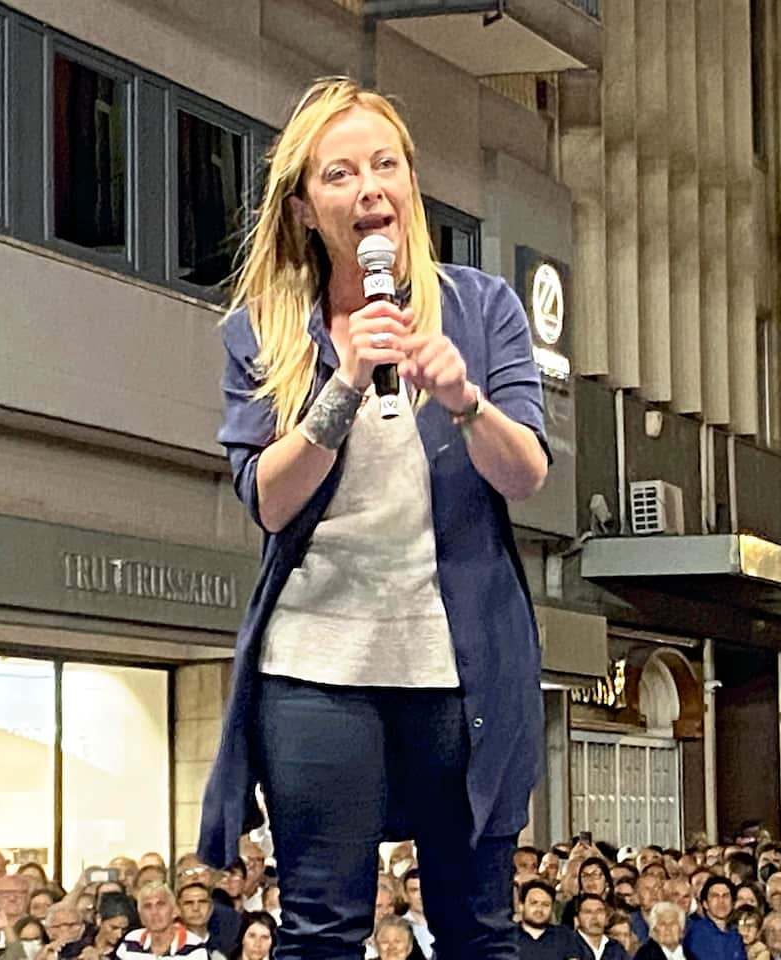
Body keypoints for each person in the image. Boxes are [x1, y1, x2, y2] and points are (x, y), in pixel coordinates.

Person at [196, 75, 549, 960]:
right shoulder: (264, 330)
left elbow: (528, 474)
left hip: (457, 668)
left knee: (478, 927)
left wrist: (467, 403)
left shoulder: (480, 308)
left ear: (411, 187)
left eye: (385, 165)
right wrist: (344, 382)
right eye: (340, 173)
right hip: (316, 666)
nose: (369, 189)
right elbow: (270, 501)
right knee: (322, 928)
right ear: (308, 208)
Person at [116, 884, 210, 960]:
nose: (154, 912)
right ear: (141, 917)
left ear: (174, 911)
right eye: (147, 906)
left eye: (160, 905)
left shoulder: (194, 947)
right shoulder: (130, 941)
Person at [516, 880, 583, 960]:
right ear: (521, 906)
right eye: (534, 903)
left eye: (546, 904)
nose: (540, 909)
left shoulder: (565, 936)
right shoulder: (505, 937)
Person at [685, 879, 747, 960]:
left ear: (733, 903)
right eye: (715, 896)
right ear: (705, 904)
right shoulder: (697, 933)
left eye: (725, 896)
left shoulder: (737, 932)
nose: (721, 901)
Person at [574, 895, 628, 960]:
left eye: (599, 912)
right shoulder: (567, 946)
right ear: (577, 919)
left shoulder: (616, 948)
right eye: (588, 912)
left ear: (606, 918)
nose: (595, 917)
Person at [401, 870, 434, 959]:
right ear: (405, 895)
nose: (421, 895)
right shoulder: (399, 927)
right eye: (414, 890)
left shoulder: (447, 925)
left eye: (425, 889)